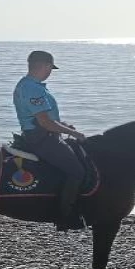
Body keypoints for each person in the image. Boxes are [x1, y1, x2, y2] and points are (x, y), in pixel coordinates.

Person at [13, 51, 87, 231]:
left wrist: (62, 125)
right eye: (50, 68)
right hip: (42, 138)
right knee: (77, 172)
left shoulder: (29, 85)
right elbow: (45, 122)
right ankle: (65, 217)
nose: (50, 72)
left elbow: (45, 117)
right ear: (45, 65)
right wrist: (75, 134)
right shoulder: (33, 88)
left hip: (40, 134)